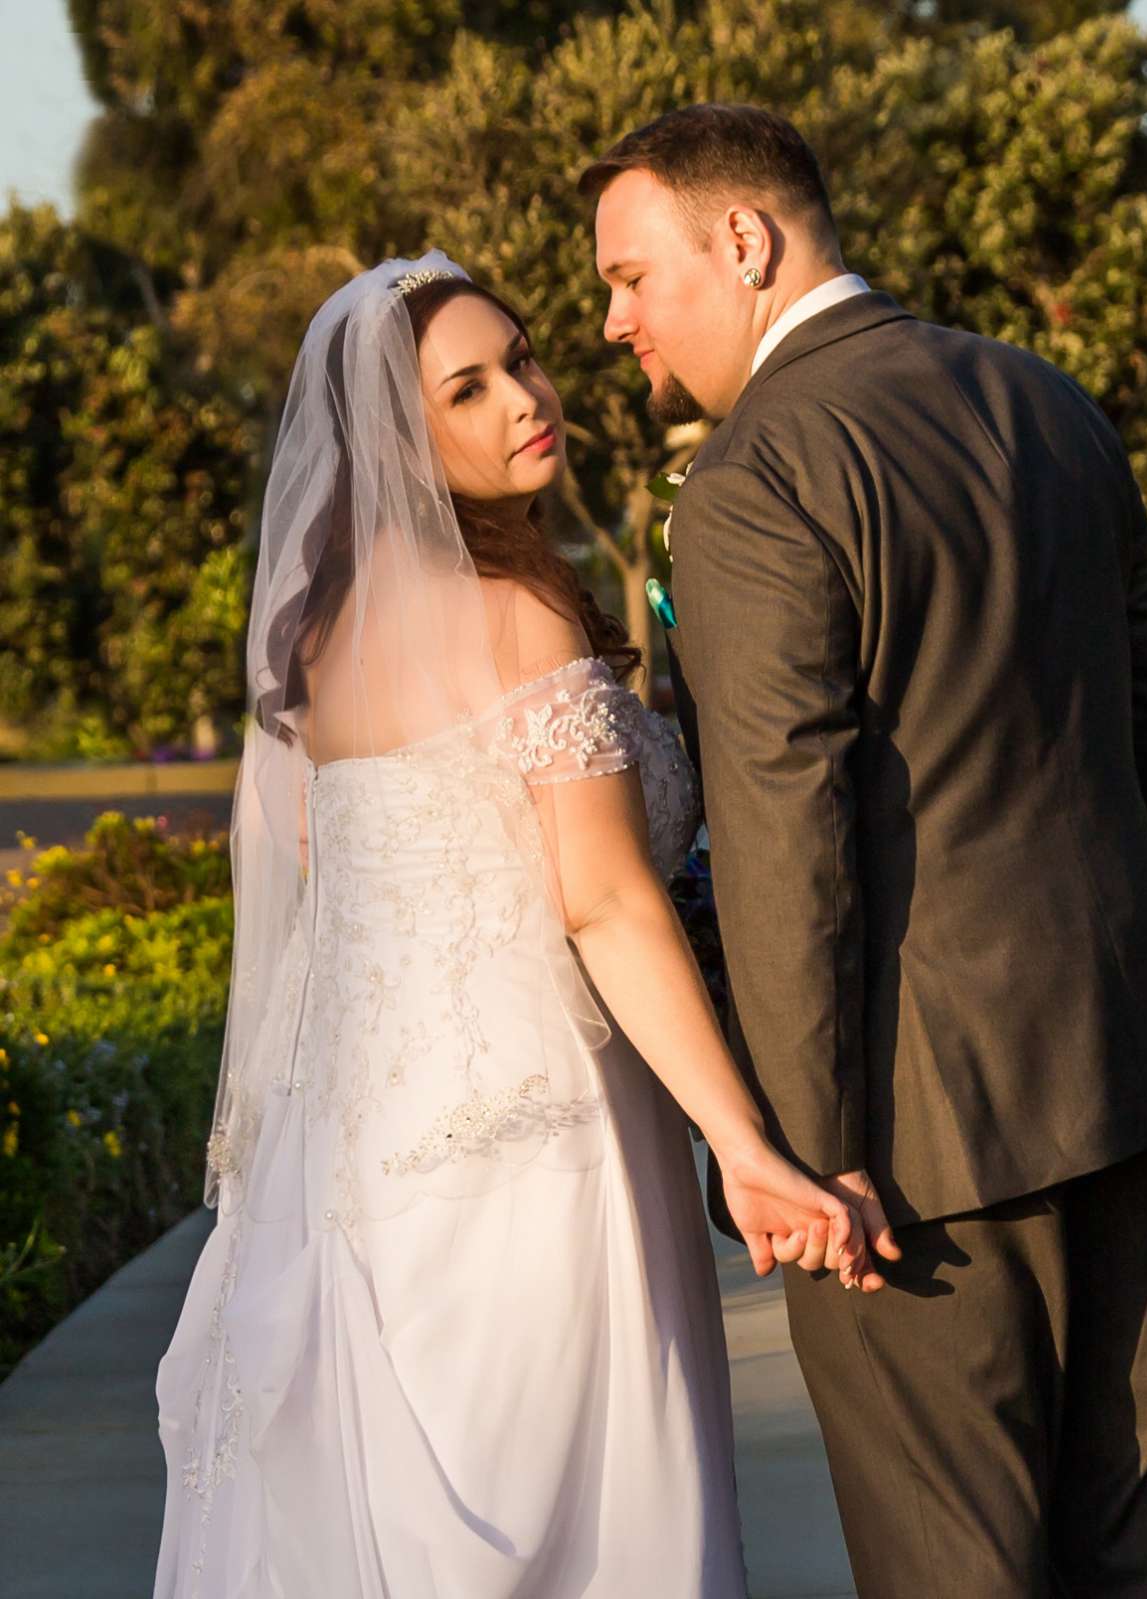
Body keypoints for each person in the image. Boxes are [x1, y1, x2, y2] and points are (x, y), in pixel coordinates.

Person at [582, 103, 1147, 1596]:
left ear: (743, 239)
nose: (618, 322)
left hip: (908, 1139)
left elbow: (789, 836)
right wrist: (1127, 980)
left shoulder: (753, 477)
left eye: (633, 276)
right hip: (1116, 1061)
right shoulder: (1048, 401)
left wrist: (807, 1155)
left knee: (958, 1558)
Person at [151, 251, 858, 1596]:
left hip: (350, 1162)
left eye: (521, 360)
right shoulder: (519, 616)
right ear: (397, 440)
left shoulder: (316, 638)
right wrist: (745, 1142)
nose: (523, 397)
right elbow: (599, 898)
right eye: (466, 389)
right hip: (543, 1149)